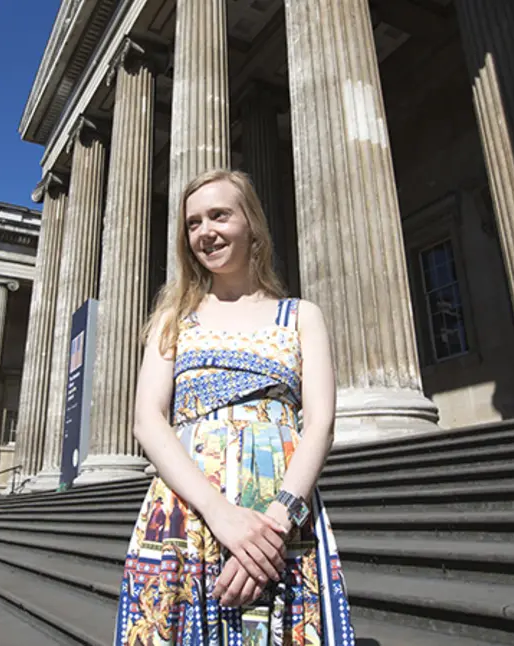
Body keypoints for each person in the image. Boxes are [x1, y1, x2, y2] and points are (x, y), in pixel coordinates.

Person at [112, 169, 356, 645]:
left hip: (281, 515)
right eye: (193, 223)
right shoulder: (172, 319)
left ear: (251, 223)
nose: (205, 232)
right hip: (188, 514)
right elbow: (147, 422)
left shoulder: (302, 315)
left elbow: (321, 422)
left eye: (219, 215)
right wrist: (220, 513)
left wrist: (275, 526)